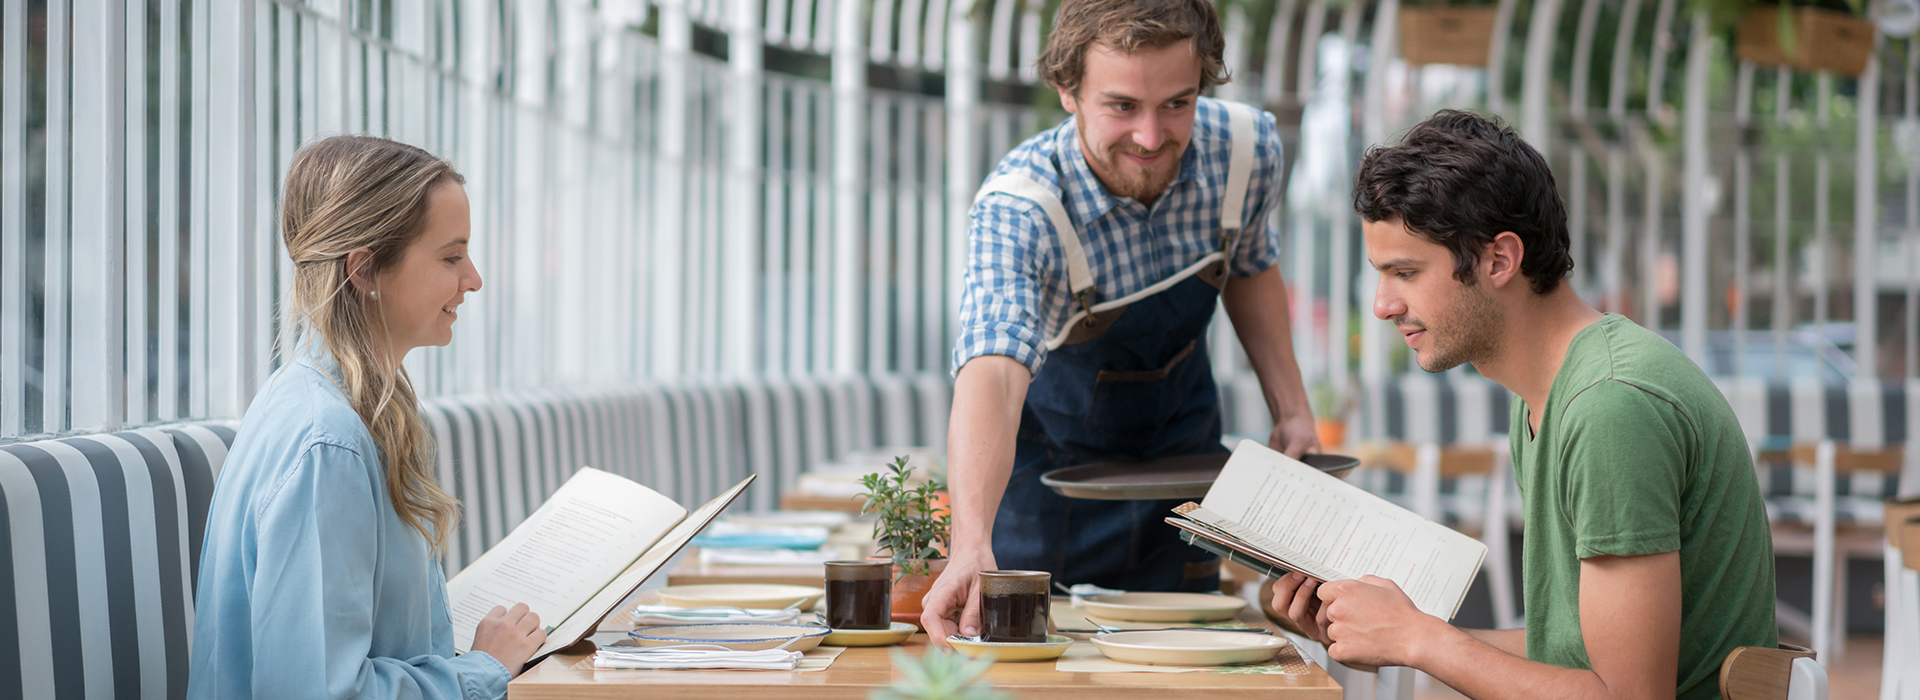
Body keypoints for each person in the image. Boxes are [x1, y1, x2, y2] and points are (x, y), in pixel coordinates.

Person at [1269, 111, 1776, 699]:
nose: (1383, 305)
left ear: (1499, 260)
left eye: (1405, 272)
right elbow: (1570, 656)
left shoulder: (1609, 406)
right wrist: (1389, 632)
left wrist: (1420, 641)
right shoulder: (1549, 393)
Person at [921, 0, 1319, 644]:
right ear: (1066, 90)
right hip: (1052, 495)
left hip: (1184, 478)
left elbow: (1249, 265)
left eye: (1177, 103)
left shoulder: (1247, 151)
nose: (1151, 136)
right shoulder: (1020, 208)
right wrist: (970, 543)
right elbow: (992, 368)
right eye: (1121, 106)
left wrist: (1293, 408)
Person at [188, 136, 545, 699]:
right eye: (451, 256)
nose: (472, 279)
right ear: (365, 270)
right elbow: (320, 693)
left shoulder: (348, 411)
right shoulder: (327, 446)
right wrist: (482, 669)